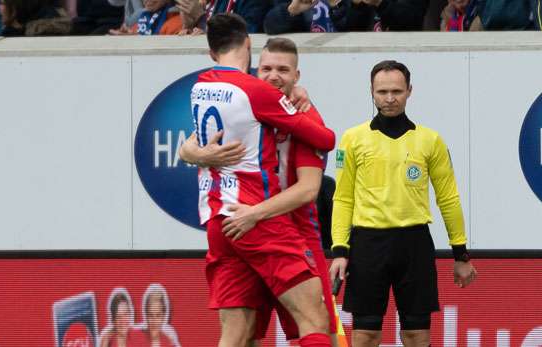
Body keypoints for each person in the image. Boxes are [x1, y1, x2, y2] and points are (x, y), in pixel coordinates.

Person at [181, 13, 336, 347]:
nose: (273, 76)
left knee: (238, 334)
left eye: (283, 71)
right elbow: (326, 139)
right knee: (314, 319)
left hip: (220, 219)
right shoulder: (255, 94)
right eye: (267, 69)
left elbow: (309, 188)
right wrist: (300, 108)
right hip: (259, 221)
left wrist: (193, 154)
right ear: (250, 51)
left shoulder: (203, 85)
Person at [329, 60, 477, 347]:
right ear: (371, 92)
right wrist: (339, 250)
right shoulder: (352, 139)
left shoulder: (430, 140)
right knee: (366, 334)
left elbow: (448, 197)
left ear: (410, 91)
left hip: (414, 244)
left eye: (397, 90)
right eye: (382, 91)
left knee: (417, 334)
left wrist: (461, 255)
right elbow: (343, 197)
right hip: (368, 244)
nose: (389, 98)